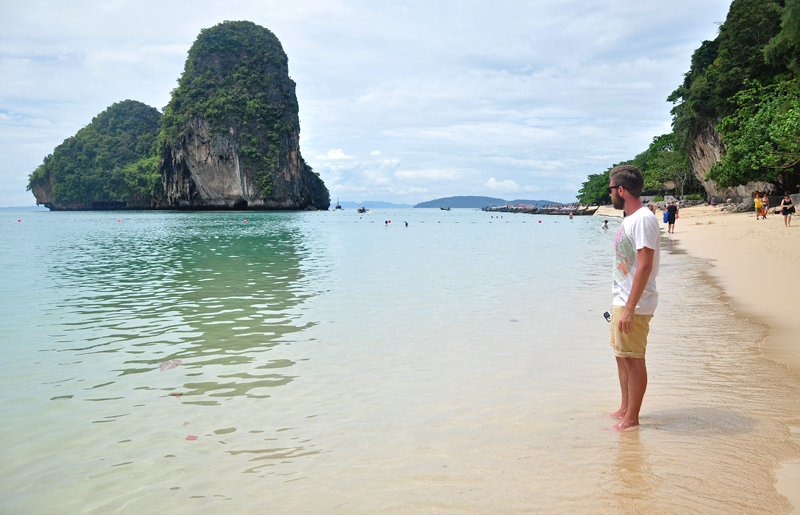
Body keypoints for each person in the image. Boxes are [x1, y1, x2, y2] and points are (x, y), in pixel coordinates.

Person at [607, 165, 660, 431]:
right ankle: (625, 408)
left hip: (634, 303)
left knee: (633, 357)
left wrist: (629, 309)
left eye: (610, 189)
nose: (609, 195)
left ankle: (632, 419)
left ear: (621, 190)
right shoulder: (630, 219)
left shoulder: (643, 219)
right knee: (622, 355)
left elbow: (645, 265)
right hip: (623, 299)